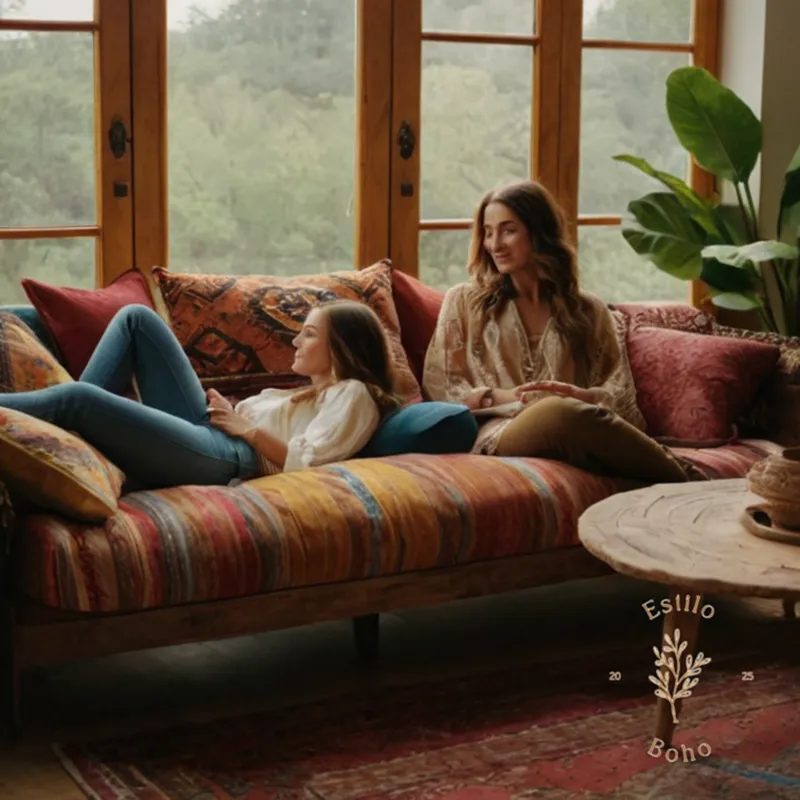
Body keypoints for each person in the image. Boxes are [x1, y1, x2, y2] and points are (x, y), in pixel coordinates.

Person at [422, 179, 692, 483]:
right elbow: (441, 385)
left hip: (576, 427)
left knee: (572, 415)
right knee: (562, 414)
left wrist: (584, 395)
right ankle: (691, 482)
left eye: (508, 231)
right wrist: (496, 396)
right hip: (498, 432)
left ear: (539, 234)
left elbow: (621, 393)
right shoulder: (464, 301)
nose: (494, 244)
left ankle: (679, 486)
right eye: (488, 232)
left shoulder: (588, 310)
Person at [0, 300, 401, 490]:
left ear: (343, 348)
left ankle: (64, 434)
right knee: (137, 319)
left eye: (310, 334)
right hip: (215, 436)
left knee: (80, 400)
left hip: (229, 457)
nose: (296, 339)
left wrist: (247, 430)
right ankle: (79, 444)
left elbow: (309, 463)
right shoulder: (317, 392)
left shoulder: (354, 395)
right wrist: (237, 413)